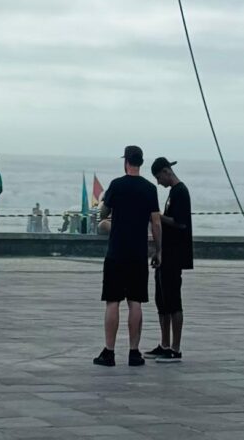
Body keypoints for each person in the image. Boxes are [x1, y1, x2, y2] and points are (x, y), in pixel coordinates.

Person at [94, 145, 161, 368]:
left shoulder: (116, 185)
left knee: (112, 301)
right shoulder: (150, 189)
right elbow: (156, 222)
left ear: (126, 162)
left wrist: (106, 203)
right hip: (138, 253)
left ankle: (109, 352)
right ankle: (134, 352)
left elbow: (103, 213)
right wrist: (158, 250)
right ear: (141, 162)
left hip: (116, 252)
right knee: (136, 302)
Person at [149, 157, 193, 358]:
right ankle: (164, 343)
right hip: (165, 253)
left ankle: (175, 347)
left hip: (176, 254)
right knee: (162, 300)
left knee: (174, 300)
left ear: (167, 172)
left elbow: (180, 223)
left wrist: (157, 216)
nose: (159, 182)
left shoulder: (181, 192)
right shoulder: (172, 193)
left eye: (159, 177)